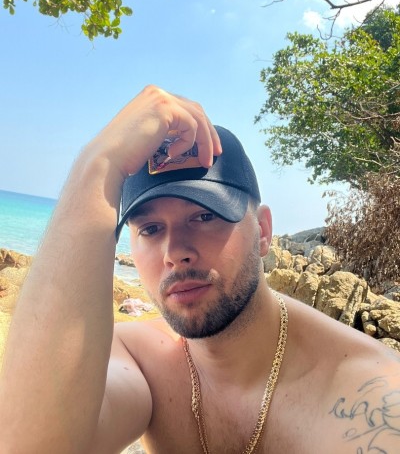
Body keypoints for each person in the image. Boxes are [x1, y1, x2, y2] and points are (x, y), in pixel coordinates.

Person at [0, 85, 399, 454]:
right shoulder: (138, 359)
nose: (175, 253)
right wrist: (98, 162)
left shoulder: (370, 397)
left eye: (205, 216)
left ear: (262, 232)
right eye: (150, 229)